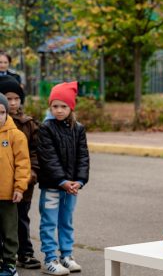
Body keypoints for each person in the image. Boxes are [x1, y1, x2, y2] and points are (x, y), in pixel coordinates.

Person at [37, 81, 90, 275]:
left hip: (72, 188)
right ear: (50, 107)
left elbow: (83, 156)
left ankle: (66, 256)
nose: (59, 110)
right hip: (53, 187)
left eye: (63, 106)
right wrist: (62, 181)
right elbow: (48, 158)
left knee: (66, 221)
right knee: (49, 222)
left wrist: (80, 181)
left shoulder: (78, 129)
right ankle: (50, 259)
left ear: (71, 107)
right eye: (55, 106)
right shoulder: (46, 128)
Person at [0, 77, 41, 269]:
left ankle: (20, 256)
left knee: (18, 223)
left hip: (19, 187)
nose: (14, 102)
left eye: (17, 98)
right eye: (10, 98)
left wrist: (27, 180)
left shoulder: (23, 127)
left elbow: (29, 157)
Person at [0, 93, 31, 276]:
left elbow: (23, 164)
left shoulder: (16, 136)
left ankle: (10, 264)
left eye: (2, 112)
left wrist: (19, 188)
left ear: (7, 114)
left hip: (8, 195)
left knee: (10, 233)